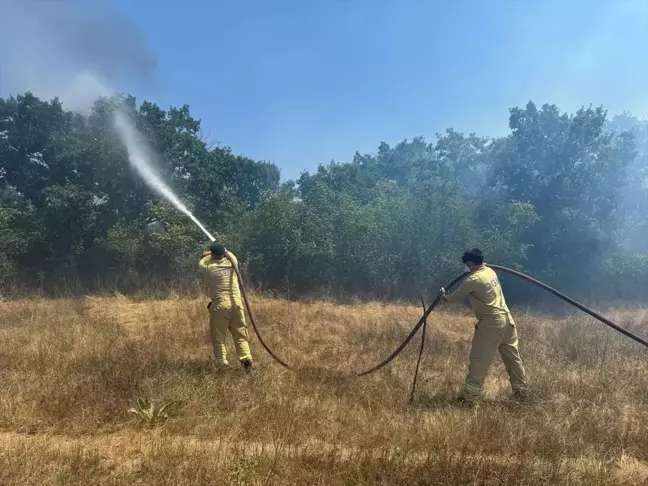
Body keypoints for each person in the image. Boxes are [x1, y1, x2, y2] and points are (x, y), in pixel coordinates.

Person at [439, 248, 527, 403]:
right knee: (513, 358)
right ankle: (521, 392)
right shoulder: (490, 272)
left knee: (479, 360)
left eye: (466, 264)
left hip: (491, 324)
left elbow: (455, 297)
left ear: (470, 263)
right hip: (507, 320)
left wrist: (443, 296)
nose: (465, 267)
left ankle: (469, 398)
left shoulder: (473, 279)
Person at [199, 242, 253, 373]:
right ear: (224, 253)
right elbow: (228, 254)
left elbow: (203, 257)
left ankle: (222, 364)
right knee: (240, 334)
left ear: (212, 254)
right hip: (237, 303)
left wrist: (210, 253)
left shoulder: (207, 266)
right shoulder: (232, 262)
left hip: (220, 304)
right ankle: (246, 360)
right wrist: (224, 251)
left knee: (218, 338)